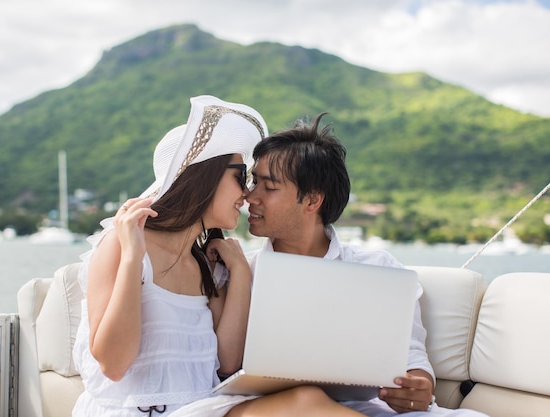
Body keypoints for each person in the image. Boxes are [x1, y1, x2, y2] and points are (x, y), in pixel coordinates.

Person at [72, 96, 367, 417]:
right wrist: (132, 257)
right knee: (305, 403)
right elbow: (113, 365)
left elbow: (228, 362)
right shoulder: (121, 244)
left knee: (308, 399)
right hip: (137, 411)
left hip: (201, 407)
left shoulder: (205, 264)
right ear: (204, 176)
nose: (247, 193)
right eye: (241, 177)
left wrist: (240, 270)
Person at [242, 113, 490, 417]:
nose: (250, 197)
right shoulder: (243, 272)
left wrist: (417, 386)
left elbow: (411, 357)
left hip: (367, 407)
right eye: (254, 182)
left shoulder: (379, 269)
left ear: (311, 201)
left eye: (268, 187)